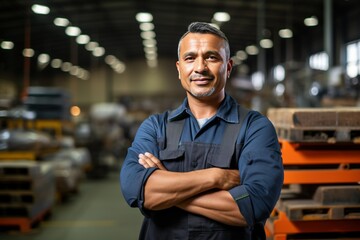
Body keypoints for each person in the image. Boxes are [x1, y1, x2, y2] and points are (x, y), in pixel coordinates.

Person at [120, 22, 283, 240]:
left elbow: (254, 205)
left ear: (228, 66)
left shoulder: (255, 128)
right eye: (190, 58)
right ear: (179, 69)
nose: (200, 68)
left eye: (211, 57)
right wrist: (216, 177)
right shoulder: (155, 127)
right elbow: (134, 190)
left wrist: (166, 187)